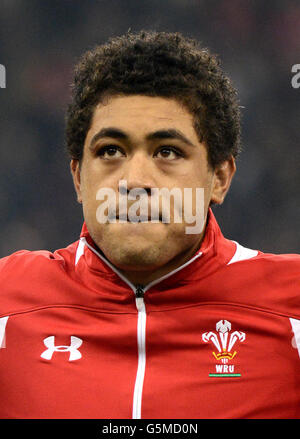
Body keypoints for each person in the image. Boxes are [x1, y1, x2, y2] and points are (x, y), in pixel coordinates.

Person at [0, 30, 299, 419]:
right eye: (111, 150)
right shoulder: (8, 299)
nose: (135, 181)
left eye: (168, 151)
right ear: (78, 178)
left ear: (219, 178)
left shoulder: (291, 303)